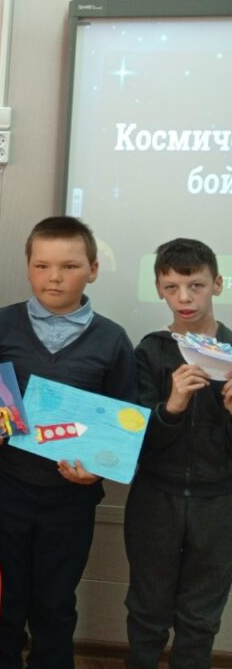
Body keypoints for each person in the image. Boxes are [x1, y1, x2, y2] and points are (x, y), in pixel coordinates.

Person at [0, 216, 137, 669]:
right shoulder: (2, 325)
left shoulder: (112, 339)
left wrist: (96, 470)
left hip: (70, 498)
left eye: (69, 266)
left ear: (93, 270)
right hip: (5, 489)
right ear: (28, 267)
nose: (54, 277)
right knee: (3, 598)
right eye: (42, 266)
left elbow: (123, 420)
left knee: (56, 605)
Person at [125, 238, 232, 669]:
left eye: (195, 286)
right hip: (156, 499)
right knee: (147, 611)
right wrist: (170, 407)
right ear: (159, 289)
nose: (184, 298)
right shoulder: (150, 350)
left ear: (217, 285)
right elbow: (134, 439)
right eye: (171, 287)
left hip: (220, 502)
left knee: (200, 618)